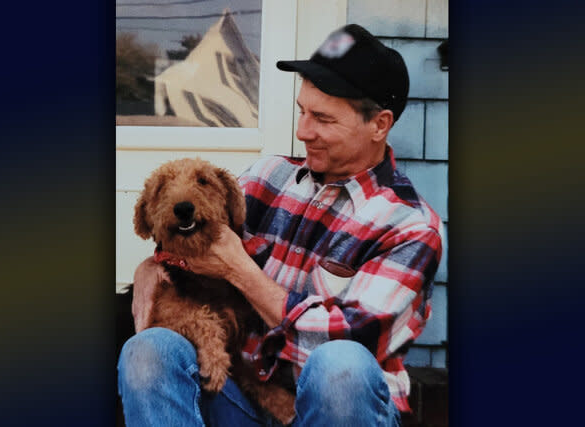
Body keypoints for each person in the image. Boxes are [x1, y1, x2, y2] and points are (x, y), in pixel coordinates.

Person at [118, 24, 443, 427]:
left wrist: (240, 270)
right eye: (302, 111)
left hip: (339, 410)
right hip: (243, 395)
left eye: (322, 118)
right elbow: (187, 239)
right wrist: (151, 267)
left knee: (340, 365)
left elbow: (346, 342)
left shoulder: (410, 226)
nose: (303, 131)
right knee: (151, 349)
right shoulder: (265, 177)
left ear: (379, 124)